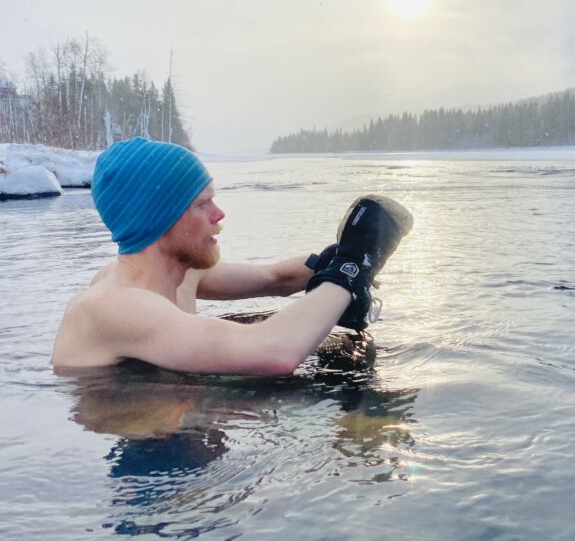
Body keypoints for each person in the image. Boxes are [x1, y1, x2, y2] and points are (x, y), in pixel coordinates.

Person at [52, 137, 412, 375]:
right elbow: (276, 353)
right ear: (159, 218)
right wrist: (351, 270)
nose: (219, 214)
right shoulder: (114, 306)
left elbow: (276, 279)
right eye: (202, 204)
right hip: (154, 459)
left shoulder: (181, 273)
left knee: (345, 348)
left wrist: (335, 258)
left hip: (176, 420)